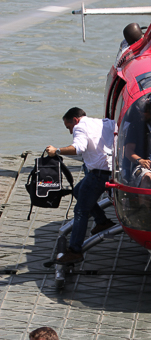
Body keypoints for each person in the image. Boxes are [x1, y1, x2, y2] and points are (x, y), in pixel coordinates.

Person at [45, 107, 116, 265]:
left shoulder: (80, 127)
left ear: (75, 120)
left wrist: (56, 151)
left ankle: (75, 251)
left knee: (80, 211)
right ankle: (102, 221)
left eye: (69, 127)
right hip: (113, 172)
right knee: (78, 190)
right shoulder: (104, 123)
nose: (71, 131)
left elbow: (78, 149)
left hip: (98, 174)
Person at [125, 93, 151, 188]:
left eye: (145, 111)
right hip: (143, 165)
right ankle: (143, 202)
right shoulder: (135, 125)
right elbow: (128, 151)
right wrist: (141, 161)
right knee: (146, 177)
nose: (141, 113)